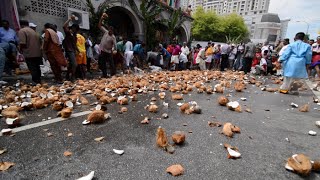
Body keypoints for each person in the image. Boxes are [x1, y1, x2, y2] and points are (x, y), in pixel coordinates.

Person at [18, 20, 42, 84]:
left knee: (32, 67)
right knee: (37, 67)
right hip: (37, 52)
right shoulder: (33, 31)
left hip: (29, 52)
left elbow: (22, 43)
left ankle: (35, 81)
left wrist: (20, 50)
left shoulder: (22, 31)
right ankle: (38, 80)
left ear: (21, 25)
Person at [98, 13, 117, 77]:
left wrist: (114, 50)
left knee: (111, 63)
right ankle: (104, 74)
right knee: (103, 63)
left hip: (109, 51)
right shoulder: (106, 32)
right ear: (108, 30)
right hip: (103, 50)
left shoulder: (113, 37)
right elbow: (100, 26)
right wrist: (102, 18)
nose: (110, 31)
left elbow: (115, 45)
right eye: (109, 30)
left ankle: (113, 74)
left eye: (111, 31)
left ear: (113, 31)